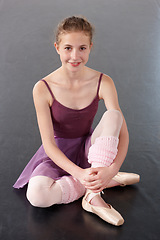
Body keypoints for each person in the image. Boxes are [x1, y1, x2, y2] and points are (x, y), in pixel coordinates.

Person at [13, 16, 140, 226]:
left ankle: (93, 196)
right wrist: (80, 173)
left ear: (90, 47)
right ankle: (101, 183)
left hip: (91, 150)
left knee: (114, 115)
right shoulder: (42, 88)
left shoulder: (103, 81)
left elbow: (122, 131)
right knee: (37, 196)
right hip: (56, 155)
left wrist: (113, 168)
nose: (75, 56)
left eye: (82, 48)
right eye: (68, 48)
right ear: (57, 47)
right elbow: (48, 144)